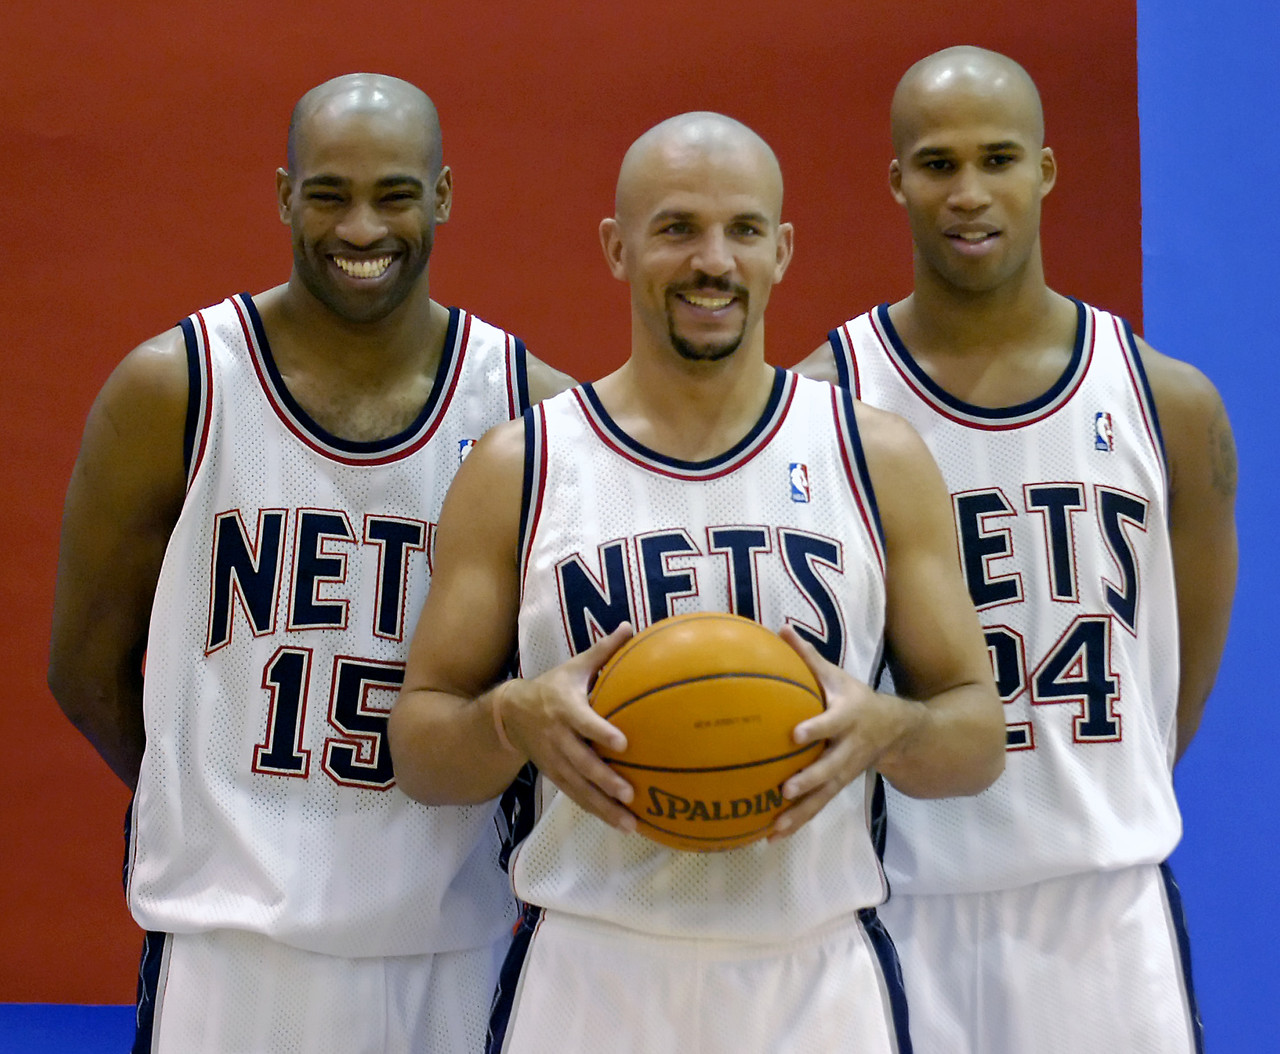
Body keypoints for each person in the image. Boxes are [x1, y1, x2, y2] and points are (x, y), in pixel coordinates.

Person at [388, 111, 1005, 1053]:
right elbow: (421, 752)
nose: (713, 261)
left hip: (814, 980)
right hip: (590, 976)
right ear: (618, 247)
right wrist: (512, 719)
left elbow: (977, 737)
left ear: (781, 251)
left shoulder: (872, 456)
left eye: (743, 230)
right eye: (677, 228)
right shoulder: (524, 465)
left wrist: (891, 728)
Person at [47, 73, 574, 1054]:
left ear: (443, 196)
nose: (361, 228)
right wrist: (211, 807)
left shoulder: (527, 408)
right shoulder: (177, 387)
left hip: (452, 946)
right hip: (231, 950)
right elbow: (83, 670)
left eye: (394, 194)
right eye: (329, 194)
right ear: (285, 196)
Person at [796, 45, 1238, 1054]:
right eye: (937, 164)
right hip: (898, 899)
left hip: (1103, 909)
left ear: (1043, 169)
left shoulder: (1166, 403)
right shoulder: (828, 403)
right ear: (896, 181)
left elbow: (1178, 683)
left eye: (996, 159)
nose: (968, 192)